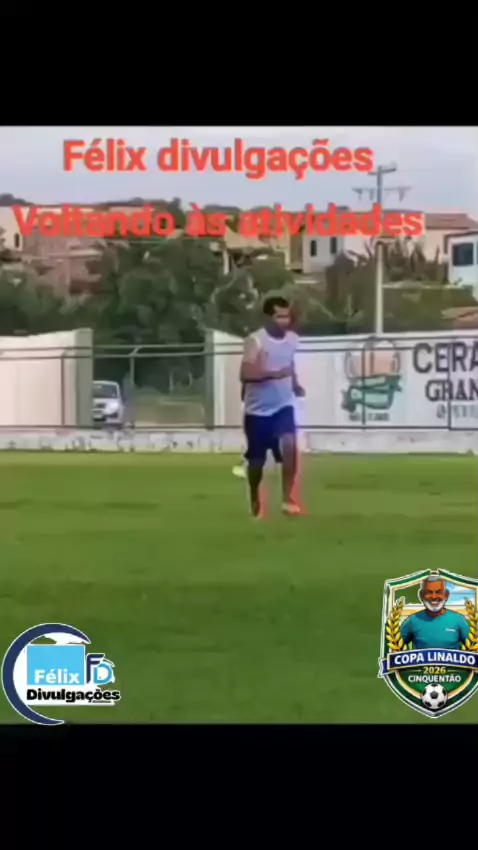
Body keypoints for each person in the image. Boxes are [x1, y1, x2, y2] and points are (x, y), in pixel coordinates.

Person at [239, 295, 305, 518]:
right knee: (256, 463)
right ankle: (254, 496)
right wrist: (275, 375)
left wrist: (295, 385)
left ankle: (287, 500)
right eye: (279, 316)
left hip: (283, 406)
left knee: (290, 445)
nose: (285, 321)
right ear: (268, 318)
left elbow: (289, 363)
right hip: (257, 412)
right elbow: (246, 373)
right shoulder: (255, 341)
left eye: (287, 316)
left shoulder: (293, 340)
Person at [400, 574, 470, 651]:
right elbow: (396, 646)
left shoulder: (458, 620)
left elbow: (473, 647)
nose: (434, 597)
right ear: (421, 595)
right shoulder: (412, 621)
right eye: (429, 592)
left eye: (438, 592)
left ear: (446, 595)